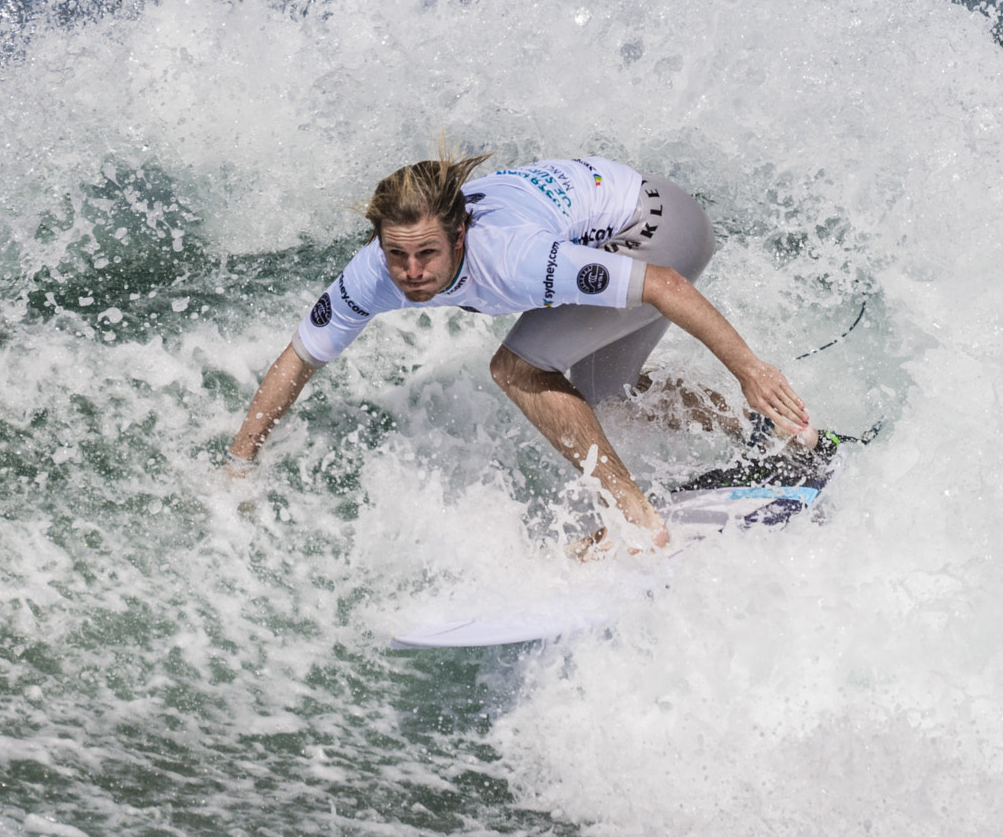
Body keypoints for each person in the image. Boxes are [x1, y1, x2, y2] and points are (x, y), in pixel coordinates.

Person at [223, 148, 811, 553]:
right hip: (638, 211)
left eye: (426, 254)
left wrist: (750, 369)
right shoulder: (374, 272)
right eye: (397, 254)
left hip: (656, 227)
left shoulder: (510, 256)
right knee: (609, 394)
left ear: (460, 236)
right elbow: (300, 356)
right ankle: (783, 433)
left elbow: (665, 285)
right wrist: (240, 460)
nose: (410, 272)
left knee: (518, 367)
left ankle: (637, 521)